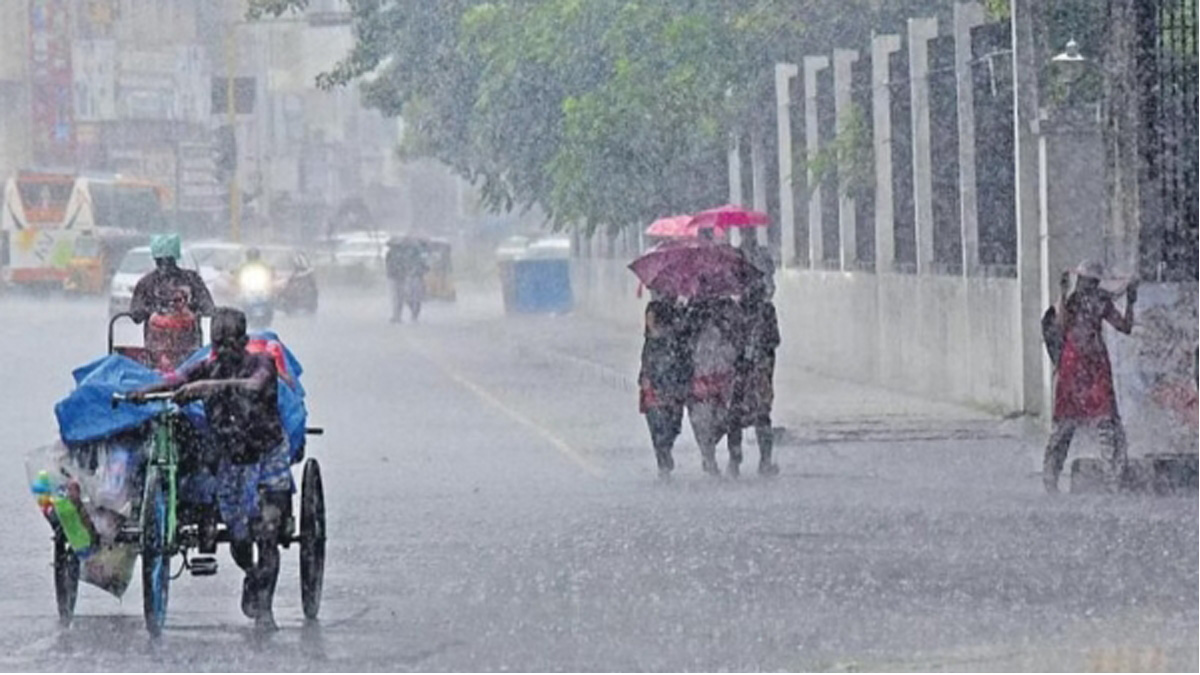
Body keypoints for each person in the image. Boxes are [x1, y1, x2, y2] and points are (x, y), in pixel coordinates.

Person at [130, 307, 291, 629]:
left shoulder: (261, 364)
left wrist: (206, 388)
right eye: (219, 342)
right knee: (240, 538)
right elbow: (176, 380)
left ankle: (265, 609)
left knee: (269, 533)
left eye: (231, 342)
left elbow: (253, 386)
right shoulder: (208, 366)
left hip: (267, 457)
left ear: (244, 341)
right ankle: (252, 575)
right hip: (233, 462)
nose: (225, 349)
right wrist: (142, 393)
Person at [1043, 260, 1137, 494]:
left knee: (1105, 423)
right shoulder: (1072, 301)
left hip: (1092, 367)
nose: (1086, 285)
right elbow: (1061, 324)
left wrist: (1131, 301)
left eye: (1089, 281)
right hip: (1074, 367)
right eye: (1084, 281)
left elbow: (1125, 326)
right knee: (1066, 424)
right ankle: (1051, 478)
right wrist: (1062, 294)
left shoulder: (1100, 301)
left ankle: (1113, 480)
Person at [728, 280, 781, 477]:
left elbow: (773, 340)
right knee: (759, 416)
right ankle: (760, 461)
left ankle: (737, 461)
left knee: (738, 415)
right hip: (754, 371)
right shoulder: (764, 311)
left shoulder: (738, 312)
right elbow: (775, 340)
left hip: (747, 371)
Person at [686, 293, 741, 476]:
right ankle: (709, 457)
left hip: (720, 379)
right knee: (704, 420)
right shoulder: (694, 315)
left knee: (719, 420)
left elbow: (732, 349)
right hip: (702, 378)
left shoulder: (726, 317)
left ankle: (710, 454)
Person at [638, 292, 691, 478]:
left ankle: (665, 449)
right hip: (654, 380)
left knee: (674, 423)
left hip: (672, 379)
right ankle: (662, 458)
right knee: (656, 423)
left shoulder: (677, 318)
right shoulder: (651, 339)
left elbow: (683, 350)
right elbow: (646, 354)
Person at [130, 233, 214, 323]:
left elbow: (208, 308)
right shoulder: (191, 279)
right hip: (167, 335)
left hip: (186, 335)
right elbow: (136, 315)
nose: (165, 265)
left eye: (168, 260)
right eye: (161, 260)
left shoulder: (146, 283)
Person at [385, 238, 429, 323]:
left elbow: (422, 267)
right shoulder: (390, 254)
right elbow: (389, 265)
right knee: (398, 297)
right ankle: (398, 315)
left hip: (405, 277)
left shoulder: (405, 255)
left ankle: (409, 314)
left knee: (406, 297)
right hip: (397, 277)